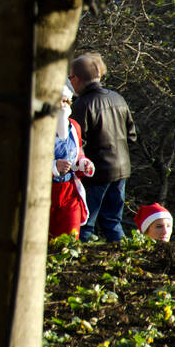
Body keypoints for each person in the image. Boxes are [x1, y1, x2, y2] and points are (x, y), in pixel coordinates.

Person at [69, 53, 138, 243]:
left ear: (77, 78)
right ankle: (123, 262)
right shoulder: (118, 98)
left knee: (85, 223)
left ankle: (75, 264)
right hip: (122, 169)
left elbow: (75, 142)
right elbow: (132, 136)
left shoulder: (82, 105)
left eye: (70, 77)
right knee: (112, 222)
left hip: (96, 173)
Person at [49, 79, 96, 237]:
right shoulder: (36, 127)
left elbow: (77, 153)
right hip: (43, 193)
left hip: (70, 193)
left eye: (65, 101)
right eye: (57, 101)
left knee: (70, 240)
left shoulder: (74, 126)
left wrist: (84, 163)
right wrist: (53, 166)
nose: (62, 106)